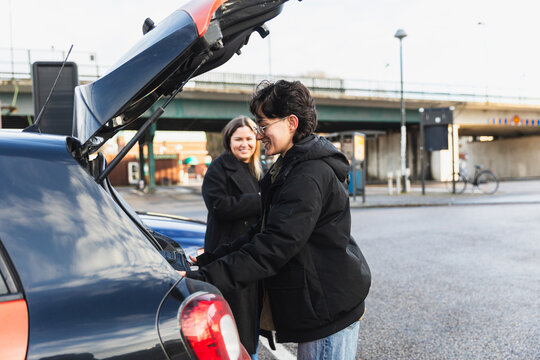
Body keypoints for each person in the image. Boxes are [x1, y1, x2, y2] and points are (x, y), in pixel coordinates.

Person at [182, 80, 371, 360]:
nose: (259, 135)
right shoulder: (290, 167)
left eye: (263, 125)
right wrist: (207, 260)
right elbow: (262, 231)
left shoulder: (306, 175)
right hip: (323, 304)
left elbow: (272, 247)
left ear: (291, 122)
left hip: (328, 310)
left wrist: (203, 278)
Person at [201, 115, 263, 359]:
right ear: (229, 140)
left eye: (249, 138)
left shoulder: (258, 169)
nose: (244, 144)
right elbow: (219, 206)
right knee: (234, 321)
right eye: (238, 139)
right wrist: (259, 199)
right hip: (227, 253)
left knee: (250, 319)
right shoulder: (219, 167)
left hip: (251, 254)